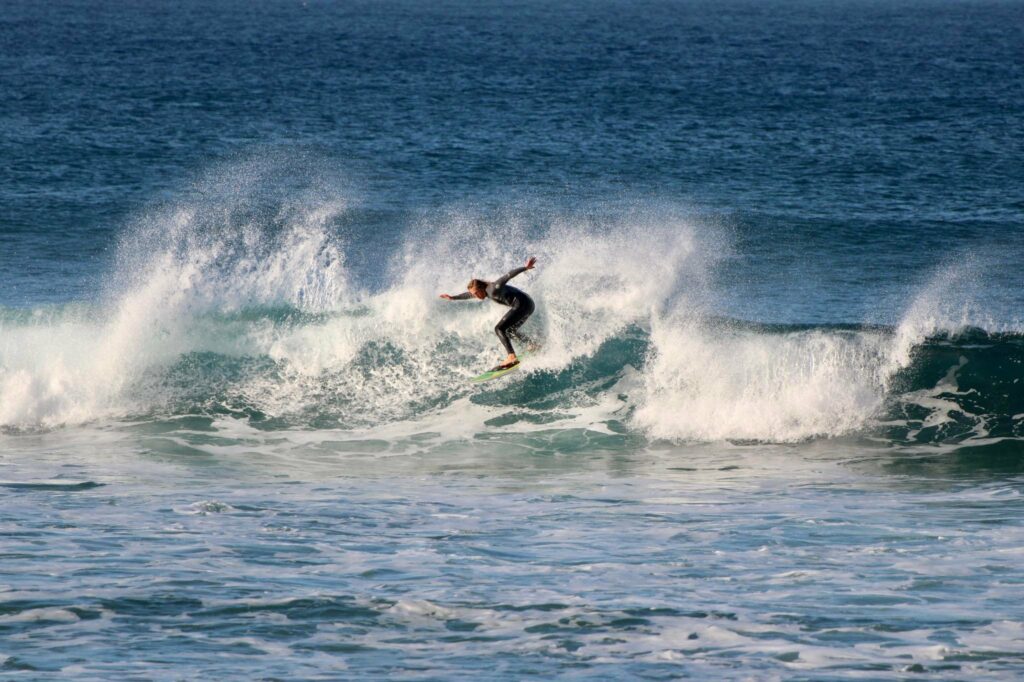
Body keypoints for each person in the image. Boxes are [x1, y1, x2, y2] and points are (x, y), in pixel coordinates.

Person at [440, 257, 539, 369]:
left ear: (481, 288)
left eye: (476, 293)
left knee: (499, 329)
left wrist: (525, 268)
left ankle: (511, 356)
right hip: (528, 305)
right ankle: (532, 345)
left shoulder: (493, 288)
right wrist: (453, 298)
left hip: (523, 304)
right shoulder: (484, 291)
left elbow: (508, 276)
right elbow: (468, 295)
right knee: (510, 331)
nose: (475, 296)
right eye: (474, 294)